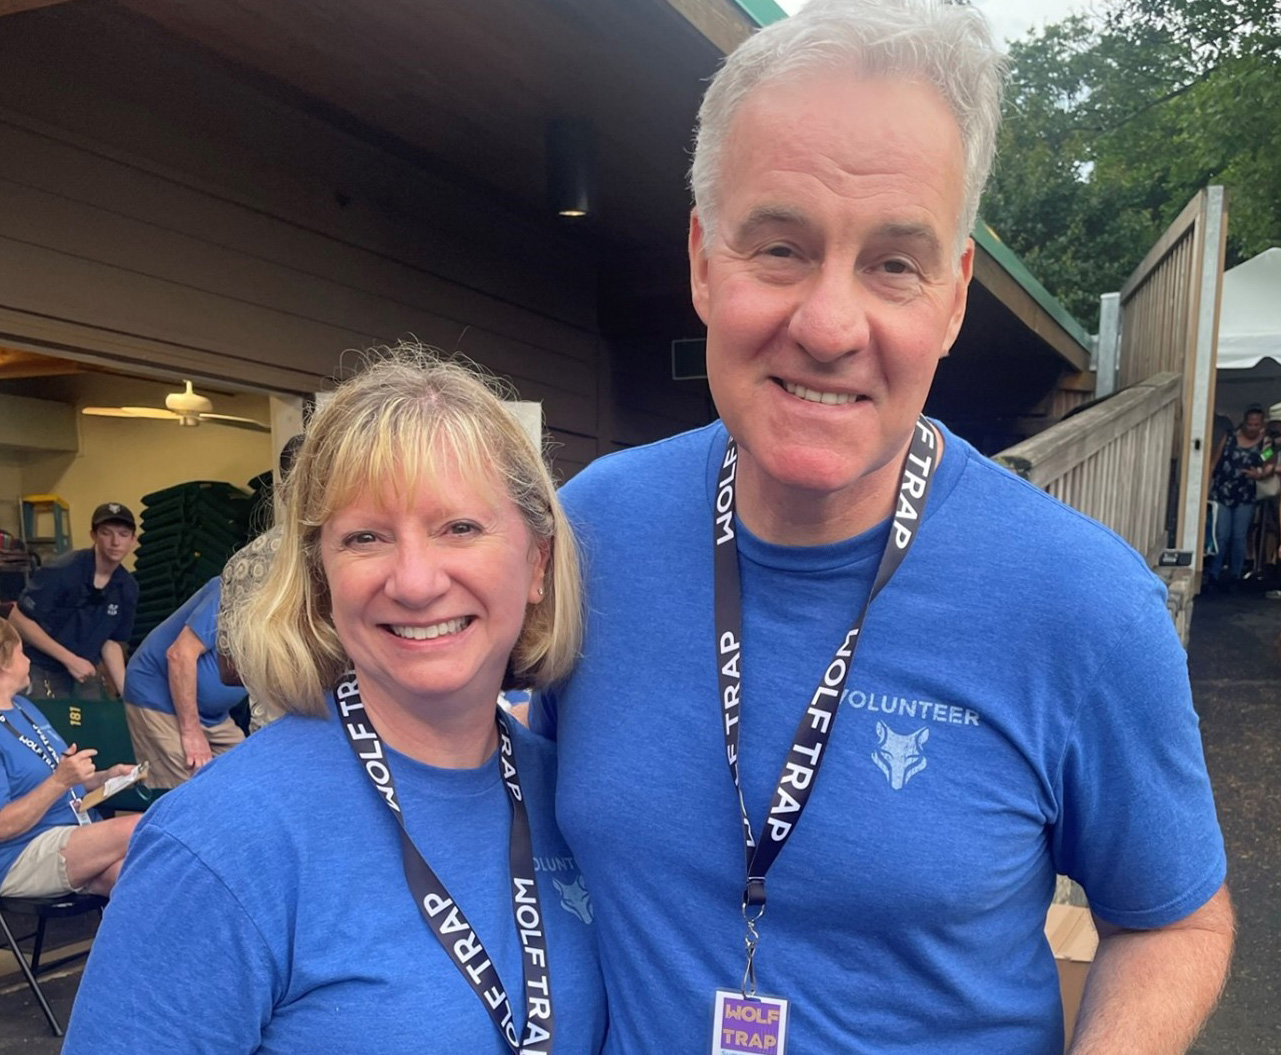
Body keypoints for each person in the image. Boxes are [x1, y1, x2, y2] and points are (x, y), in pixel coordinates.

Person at [533, 2, 1234, 1053]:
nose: (828, 324)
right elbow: (518, 821)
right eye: (780, 246)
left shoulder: (1082, 599)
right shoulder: (592, 527)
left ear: (951, 300)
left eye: (893, 263)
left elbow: (1175, 917)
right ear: (704, 260)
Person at [64, 351, 607, 1054]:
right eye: (365, 537)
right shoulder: (221, 841)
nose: (414, 581)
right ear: (321, 577)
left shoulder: (572, 797)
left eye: (459, 527)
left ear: (536, 562)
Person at [0, 619, 140, 898]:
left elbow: (58, 777)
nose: (28, 659)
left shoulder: (24, 707)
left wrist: (105, 778)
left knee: (136, 877)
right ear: (3, 663)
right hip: (21, 852)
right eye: (21, 652)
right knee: (145, 825)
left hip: (76, 833)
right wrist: (60, 781)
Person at [215, 434, 304, 731]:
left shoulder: (244, 562)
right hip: (351, 734)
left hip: (273, 731)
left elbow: (230, 669)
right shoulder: (361, 552)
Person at [122, 577, 247, 789]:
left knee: (248, 777)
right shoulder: (234, 589)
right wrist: (192, 732)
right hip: (158, 699)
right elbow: (179, 655)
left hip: (214, 716)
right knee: (188, 794)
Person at [7, 502, 138, 701]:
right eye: (106, 533)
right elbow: (18, 618)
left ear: (133, 540)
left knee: (95, 724)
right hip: (40, 667)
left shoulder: (127, 587)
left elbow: (110, 642)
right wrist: (70, 660)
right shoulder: (63, 570)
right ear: (93, 536)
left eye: (123, 534)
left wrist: (128, 695)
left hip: (83, 673)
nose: (115, 542)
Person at [1206, 405, 1274, 589]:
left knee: (1239, 536)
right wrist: (1204, 488)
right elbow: (1213, 461)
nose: (1252, 428)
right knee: (1221, 535)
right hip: (1222, 492)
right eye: (1249, 424)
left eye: (1256, 425)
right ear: (1244, 422)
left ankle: (1235, 575)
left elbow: (1269, 464)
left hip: (1245, 495)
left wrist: (1259, 473)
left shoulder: (1265, 444)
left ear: (1261, 425)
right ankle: (1213, 573)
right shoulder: (1228, 438)